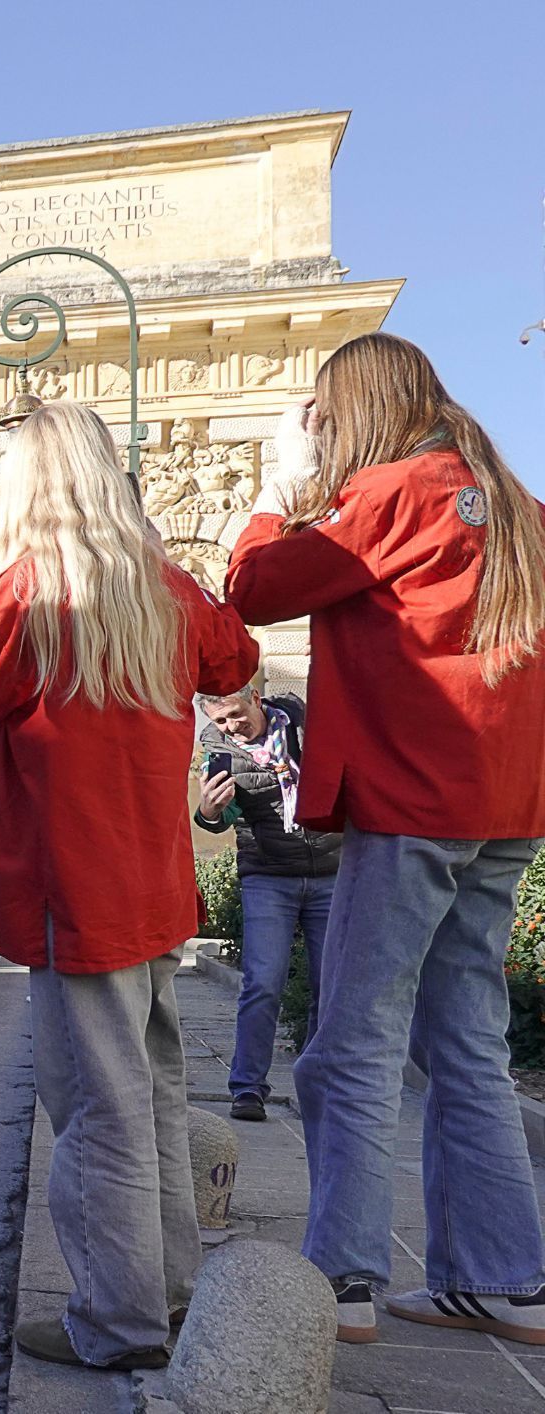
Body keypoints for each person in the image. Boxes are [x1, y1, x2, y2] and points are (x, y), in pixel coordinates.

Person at [0, 401, 257, 1371]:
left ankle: (118, 1321)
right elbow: (235, 656)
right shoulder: (160, 589)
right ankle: (167, 1291)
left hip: (71, 891)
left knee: (96, 1113)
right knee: (154, 1093)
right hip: (148, 889)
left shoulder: (27, 594)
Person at [226, 333, 545, 1347]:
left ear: (356, 407)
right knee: (464, 1042)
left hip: (411, 799)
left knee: (348, 1046)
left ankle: (344, 1276)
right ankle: (499, 1276)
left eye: (323, 414)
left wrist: (281, 490)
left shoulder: (400, 489)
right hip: (503, 804)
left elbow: (256, 587)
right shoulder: (519, 509)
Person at [193, 684, 339, 1122]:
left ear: (256, 698)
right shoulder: (219, 752)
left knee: (327, 985)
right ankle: (247, 1088)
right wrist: (210, 811)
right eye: (220, 721)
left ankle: (319, 1085)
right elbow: (217, 821)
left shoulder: (306, 723)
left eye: (236, 714)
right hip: (268, 876)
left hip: (333, 869)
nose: (231, 726)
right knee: (262, 983)